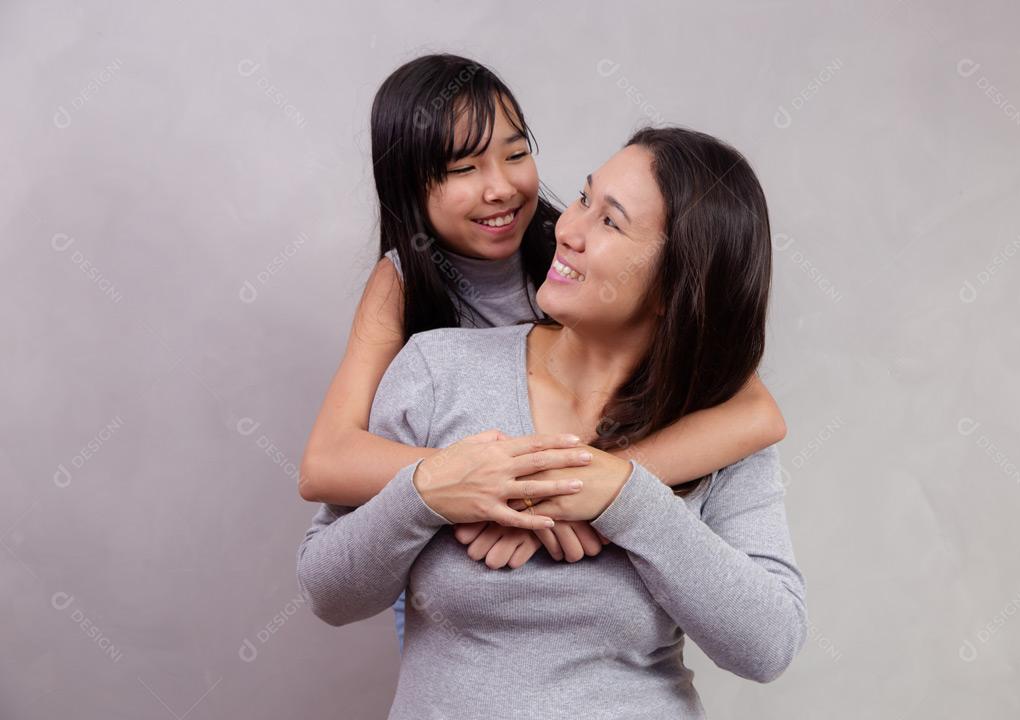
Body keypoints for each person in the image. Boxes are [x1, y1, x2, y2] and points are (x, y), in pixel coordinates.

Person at [297, 126, 808, 718]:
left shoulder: (713, 430)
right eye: (585, 199)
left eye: (610, 222)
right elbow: (326, 592)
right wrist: (428, 493)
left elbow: (769, 646)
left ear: (677, 285)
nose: (565, 229)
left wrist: (625, 499)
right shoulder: (440, 369)